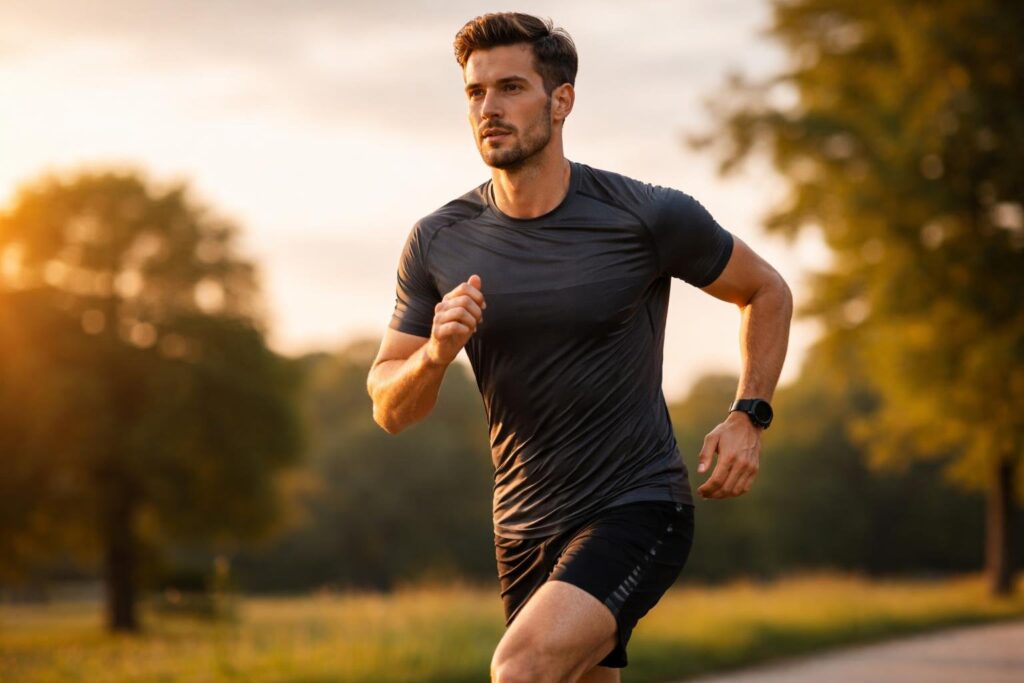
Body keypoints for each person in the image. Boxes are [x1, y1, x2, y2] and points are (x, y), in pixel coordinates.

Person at [366, 11, 793, 683]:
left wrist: (750, 413)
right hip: (522, 526)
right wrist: (435, 353)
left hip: (638, 501)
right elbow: (390, 407)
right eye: (476, 93)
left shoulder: (645, 215)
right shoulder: (439, 240)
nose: (489, 108)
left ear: (561, 100)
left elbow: (766, 290)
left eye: (510, 87)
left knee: (522, 669)